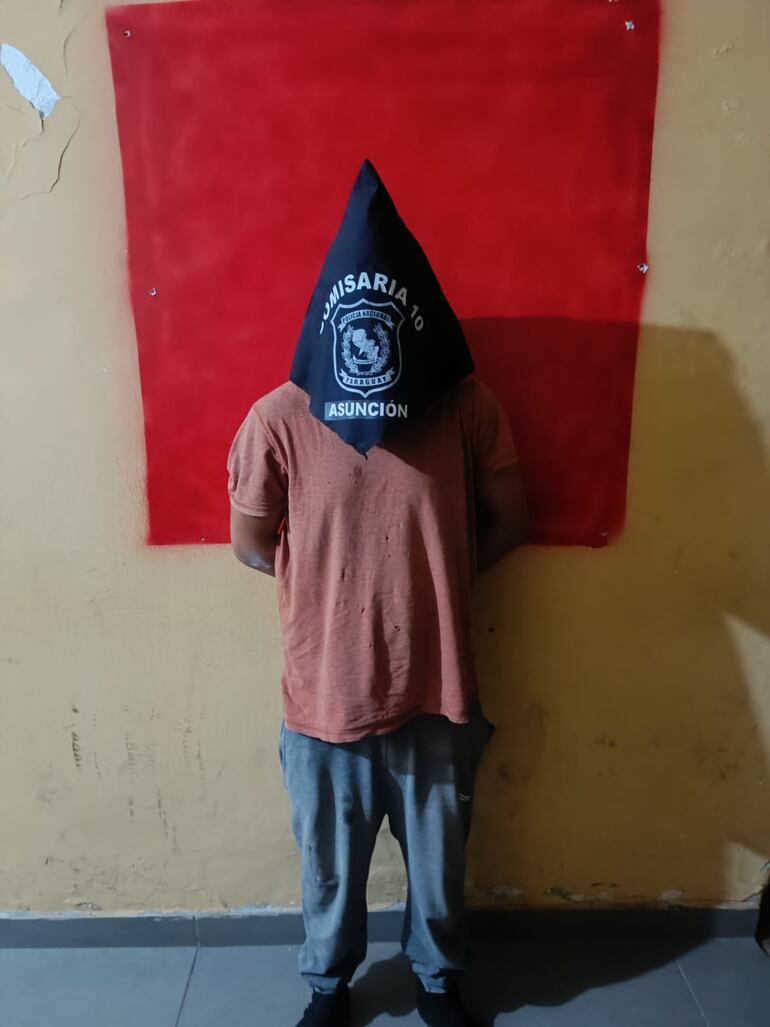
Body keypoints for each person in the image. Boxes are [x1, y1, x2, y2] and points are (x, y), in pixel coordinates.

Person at [227, 161, 528, 1027]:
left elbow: (510, 519)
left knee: (440, 859)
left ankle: (437, 979)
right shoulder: (278, 418)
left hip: (439, 686)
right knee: (327, 861)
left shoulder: (466, 407)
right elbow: (252, 542)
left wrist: (431, 580)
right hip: (324, 693)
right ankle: (328, 985)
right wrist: (333, 586)